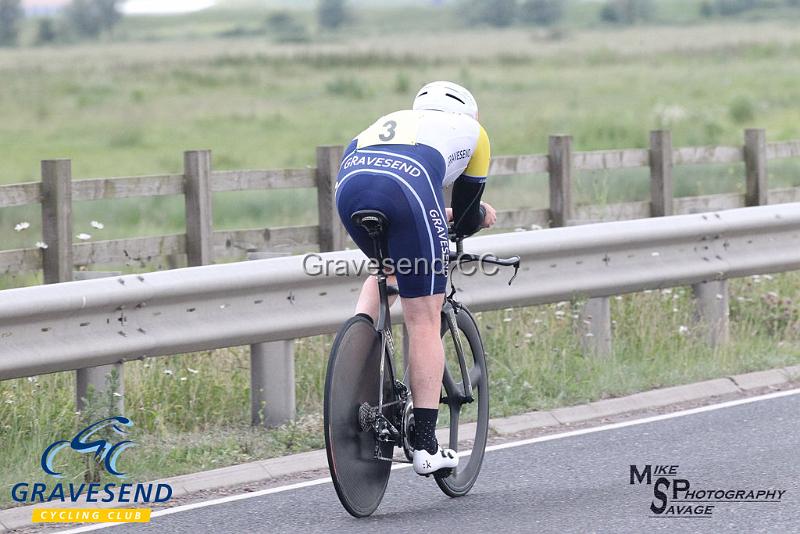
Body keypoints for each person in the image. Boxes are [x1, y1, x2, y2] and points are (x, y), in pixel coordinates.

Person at [335, 81, 496, 475]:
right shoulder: (476, 134)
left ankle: (356, 367)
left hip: (350, 185)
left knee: (386, 269)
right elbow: (467, 210)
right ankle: (425, 446)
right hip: (407, 190)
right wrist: (480, 217)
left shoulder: (397, 120)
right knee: (423, 316)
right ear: (469, 115)